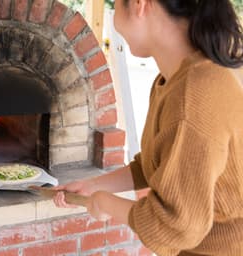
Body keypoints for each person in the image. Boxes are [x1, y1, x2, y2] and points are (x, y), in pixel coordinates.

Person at [53, 0, 243, 255]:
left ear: (141, 5)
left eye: (117, 6)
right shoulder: (176, 78)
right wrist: (94, 186)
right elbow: (160, 163)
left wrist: (106, 203)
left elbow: (177, 225)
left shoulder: (193, 96)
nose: (116, 21)